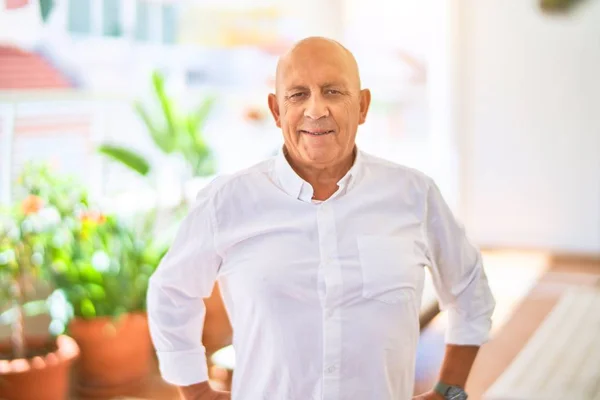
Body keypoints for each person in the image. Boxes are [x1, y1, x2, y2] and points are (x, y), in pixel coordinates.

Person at [147, 37, 495, 400]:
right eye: (298, 94)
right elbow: (171, 292)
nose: (316, 110)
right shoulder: (227, 203)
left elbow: (471, 291)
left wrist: (449, 391)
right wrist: (196, 391)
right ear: (276, 110)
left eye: (332, 91)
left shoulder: (414, 195)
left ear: (362, 106)